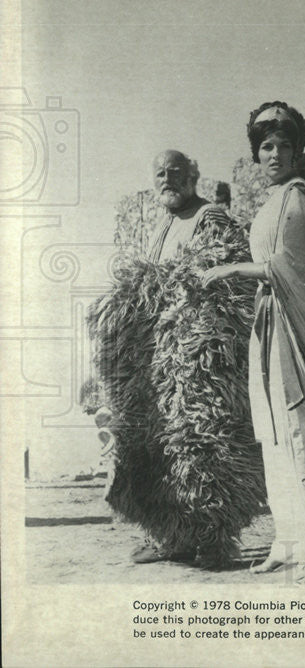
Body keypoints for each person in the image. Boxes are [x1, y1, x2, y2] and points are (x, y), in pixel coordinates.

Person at [202, 102, 305, 584]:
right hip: (271, 324)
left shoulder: (297, 198)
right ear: (257, 153)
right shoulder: (271, 202)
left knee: (298, 429)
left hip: (295, 327)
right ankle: (288, 539)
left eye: (284, 146)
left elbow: (297, 269)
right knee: (273, 433)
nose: (275, 154)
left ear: (297, 152)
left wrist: (231, 270)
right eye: (266, 146)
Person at [115, 150, 241, 565]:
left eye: (175, 172)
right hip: (160, 355)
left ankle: (216, 540)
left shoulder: (210, 217)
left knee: (206, 445)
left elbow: (230, 276)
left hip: (200, 354)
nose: (167, 179)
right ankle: (172, 536)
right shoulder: (163, 225)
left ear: (193, 177)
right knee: (161, 447)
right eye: (160, 173)